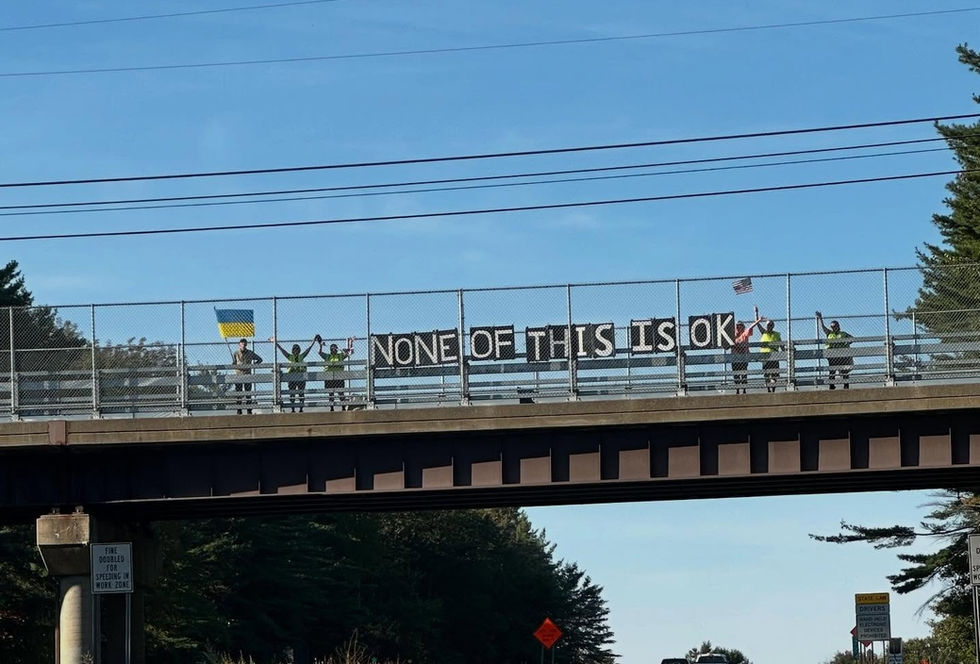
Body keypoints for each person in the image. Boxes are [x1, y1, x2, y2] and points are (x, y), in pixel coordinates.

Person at [273, 336, 316, 412]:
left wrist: (313, 342)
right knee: (292, 394)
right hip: (292, 378)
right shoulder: (290, 357)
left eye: (297, 350)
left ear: (299, 350)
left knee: (301, 394)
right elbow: (282, 350)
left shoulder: (301, 356)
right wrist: (275, 343)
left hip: (300, 378)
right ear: (292, 351)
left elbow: (308, 350)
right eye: (294, 350)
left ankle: (301, 408)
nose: (296, 351)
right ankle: (293, 409)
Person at [817, 311, 853, 389]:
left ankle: (846, 386)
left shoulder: (843, 333)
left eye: (835, 326)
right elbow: (823, 328)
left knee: (844, 370)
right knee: (832, 371)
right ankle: (831, 385)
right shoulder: (829, 333)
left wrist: (846, 342)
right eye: (832, 327)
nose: (833, 328)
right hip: (832, 355)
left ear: (838, 326)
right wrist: (820, 319)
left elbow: (852, 338)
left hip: (842, 355)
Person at [318, 337, 354, 411]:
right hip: (329, 377)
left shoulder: (340, 355)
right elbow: (320, 353)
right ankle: (331, 407)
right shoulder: (327, 356)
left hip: (339, 377)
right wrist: (321, 345)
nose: (334, 350)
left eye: (335, 348)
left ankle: (343, 407)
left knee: (341, 393)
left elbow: (350, 352)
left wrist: (351, 343)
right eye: (333, 348)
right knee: (331, 394)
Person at [731, 313, 763, 394]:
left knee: (744, 375)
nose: (739, 327)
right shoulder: (732, 336)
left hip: (743, 358)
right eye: (737, 326)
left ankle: (744, 390)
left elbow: (751, 327)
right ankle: (737, 390)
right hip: (735, 359)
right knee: (736, 375)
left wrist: (758, 320)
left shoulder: (745, 334)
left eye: (740, 326)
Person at [232, 338, 262, 414]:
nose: (244, 346)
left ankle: (249, 410)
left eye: (245, 345)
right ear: (239, 345)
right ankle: (239, 410)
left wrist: (253, 365)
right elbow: (233, 363)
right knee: (239, 393)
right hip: (238, 375)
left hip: (247, 375)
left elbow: (260, 359)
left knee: (248, 393)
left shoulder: (250, 353)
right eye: (242, 345)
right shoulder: (236, 353)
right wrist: (236, 367)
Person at [759, 319, 784, 393]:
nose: (769, 326)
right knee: (766, 374)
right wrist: (756, 314)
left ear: (773, 326)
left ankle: (773, 389)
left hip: (774, 356)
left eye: (770, 325)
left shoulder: (776, 334)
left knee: (774, 374)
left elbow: (781, 345)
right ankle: (768, 389)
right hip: (765, 356)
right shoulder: (764, 332)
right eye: (767, 325)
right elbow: (758, 325)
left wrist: (785, 352)